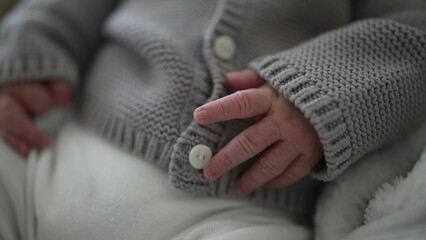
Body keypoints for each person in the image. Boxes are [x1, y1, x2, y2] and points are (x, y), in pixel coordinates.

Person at [0, 0, 425, 239]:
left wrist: (320, 91)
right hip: (56, 155)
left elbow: (414, 33)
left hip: (236, 210)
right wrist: (27, 56)